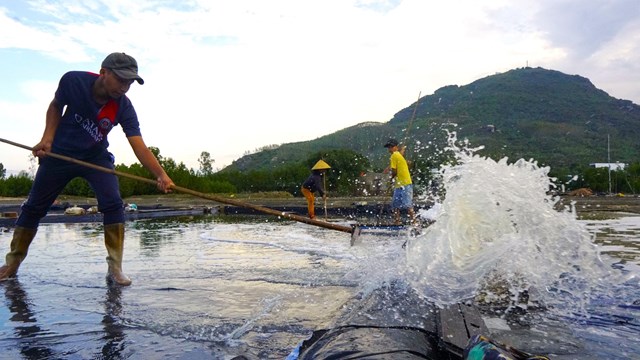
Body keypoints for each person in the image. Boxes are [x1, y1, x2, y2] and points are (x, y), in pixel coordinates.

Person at [0, 52, 174, 286]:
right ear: (103, 73)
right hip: (59, 153)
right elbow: (55, 106)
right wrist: (47, 139)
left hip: (95, 158)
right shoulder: (73, 81)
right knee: (33, 207)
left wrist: (161, 175)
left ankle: (115, 268)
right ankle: (12, 263)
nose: (124, 87)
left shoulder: (123, 106)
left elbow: (139, 145)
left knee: (113, 204)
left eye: (130, 82)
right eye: (121, 80)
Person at [384, 138, 415, 225]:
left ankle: (414, 222)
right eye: (388, 147)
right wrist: (403, 149)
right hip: (399, 185)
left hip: (405, 183)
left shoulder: (394, 155)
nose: (389, 149)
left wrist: (391, 179)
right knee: (395, 205)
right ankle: (397, 221)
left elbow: (394, 171)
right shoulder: (398, 155)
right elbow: (401, 154)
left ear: (395, 147)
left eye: (391, 147)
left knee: (408, 204)